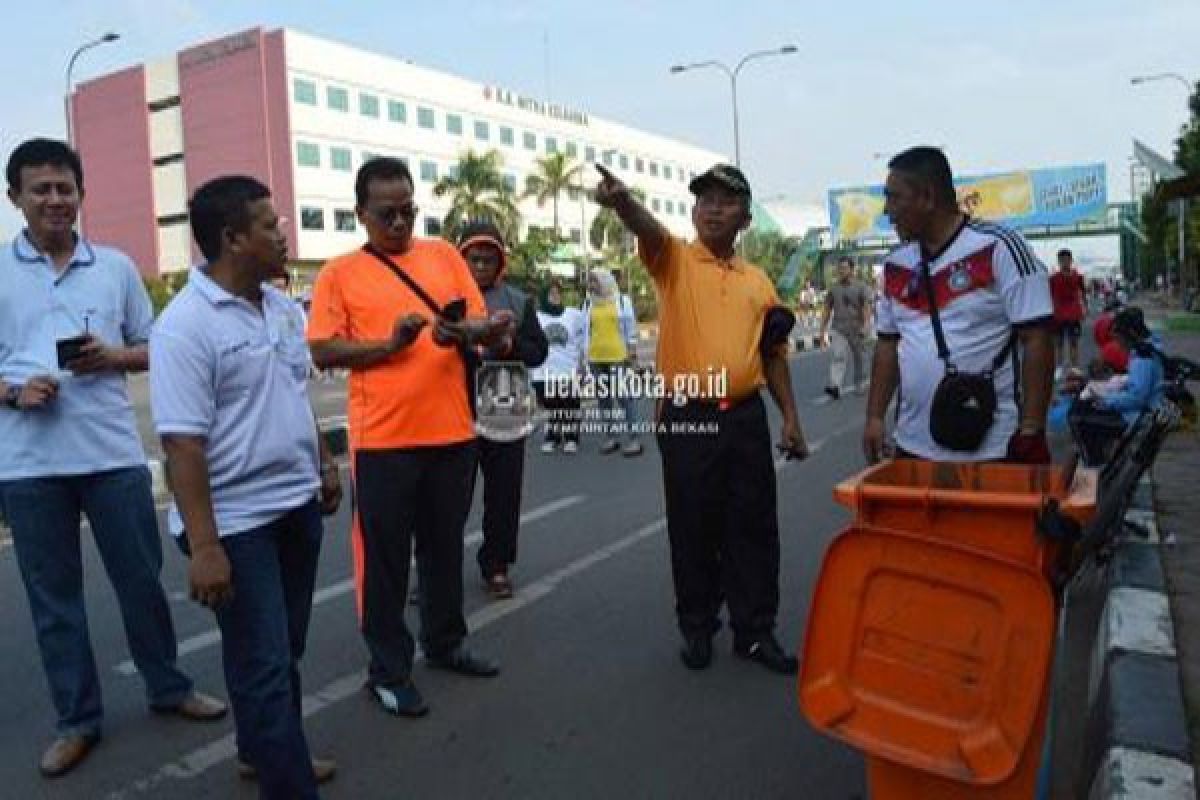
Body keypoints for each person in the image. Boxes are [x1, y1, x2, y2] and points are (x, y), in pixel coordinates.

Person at [0, 138, 226, 778]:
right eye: (38, 189)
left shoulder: (117, 267)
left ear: (80, 194)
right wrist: (15, 392)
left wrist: (110, 357)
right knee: (55, 604)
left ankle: (170, 687)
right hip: (27, 464)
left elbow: (158, 348)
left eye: (63, 188)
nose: (53, 200)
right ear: (14, 197)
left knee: (141, 584)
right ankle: (77, 720)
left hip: (112, 456)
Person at [150, 176, 342, 797]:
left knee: (282, 647)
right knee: (262, 660)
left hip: (295, 505)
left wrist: (324, 462)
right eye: (270, 226)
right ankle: (286, 778)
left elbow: (293, 391)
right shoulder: (184, 326)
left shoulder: (283, 307)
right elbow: (182, 443)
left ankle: (264, 747)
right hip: (235, 523)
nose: (284, 235)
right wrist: (205, 546)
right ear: (233, 239)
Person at [307, 157, 508, 719]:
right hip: (383, 443)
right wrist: (389, 345)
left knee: (444, 548)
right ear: (360, 213)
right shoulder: (338, 274)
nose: (400, 222)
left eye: (408, 210)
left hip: (451, 433)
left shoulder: (444, 256)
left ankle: (445, 643)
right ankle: (388, 670)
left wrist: (470, 331)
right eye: (386, 213)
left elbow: (478, 322)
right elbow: (322, 349)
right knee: (386, 562)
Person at [594, 161, 809, 675]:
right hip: (688, 414)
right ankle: (698, 628)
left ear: (746, 218)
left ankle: (755, 631)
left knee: (753, 526)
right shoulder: (673, 260)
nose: (712, 208)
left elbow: (774, 354)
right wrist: (623, 202)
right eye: (705, 199)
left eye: (726, 201)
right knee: (693, 526)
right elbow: (647, 228)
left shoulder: (759, 283)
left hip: (745, 418)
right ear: (693, 211)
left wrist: (791, 419)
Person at [863, 146, 1056, 465]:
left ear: (927, 197)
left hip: (990, 448)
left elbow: (1037, 339)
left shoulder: (999, 248)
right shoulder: (896, 265)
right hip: (912, 448)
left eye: (895, 198)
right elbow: (887, 345)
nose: (888, 211)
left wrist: (1032, 429)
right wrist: (874, 417)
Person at [458, 220, 548, 599]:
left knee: (503, 495)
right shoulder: (444, 298)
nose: (480, 265)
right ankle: (435, 568)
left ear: (501, 262)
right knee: (448, 498)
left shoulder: (518, 300)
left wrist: (510, 345)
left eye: (487, 259)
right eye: (473, 258)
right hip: (452, 405)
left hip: (504, 399)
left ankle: (496, 566)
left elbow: (539, 351)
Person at [583, 267, 644, 456]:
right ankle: (611, 437)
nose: (591, 285)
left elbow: (630, 330)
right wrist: (583, 358)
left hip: (618, 357)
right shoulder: (588, 303)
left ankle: (634, 439)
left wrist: (632, 355)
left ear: (605, 281)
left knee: (624, 398)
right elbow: (585, 330)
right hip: (595, 357)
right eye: (590, 281)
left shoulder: (621, 301)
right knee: (604, 400)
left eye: (595, 281)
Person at [532, 280, 587, 454]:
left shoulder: (573, 315)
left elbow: (583, 339)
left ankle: (571, 438)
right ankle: (553, 437)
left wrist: (582, 363)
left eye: (558, 293)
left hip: (568, 369)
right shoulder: (536, 317)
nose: (556, 297)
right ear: (543, 297)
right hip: (543, 371)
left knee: (569, 404)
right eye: (551, 294)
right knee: (552, 406)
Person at [819, 255, 874, 399]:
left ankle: (860, 383)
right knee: (838, 355)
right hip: (839, 328)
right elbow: (827, 309)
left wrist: (866, 325)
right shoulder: (834, 288)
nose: (841, 271)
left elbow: (867, 307)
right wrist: (822, 330)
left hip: (857, 328)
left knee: (860, 357)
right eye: (839, 268)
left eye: (844, 268)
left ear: (851, 269)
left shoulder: (861, 287)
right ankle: (835, 386)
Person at [1049, 248, 1088, 371]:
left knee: (1073, 342)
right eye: (1062, 260)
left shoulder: (1078, 277)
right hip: (1058, 314)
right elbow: (1049, 296)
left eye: (1067, 259)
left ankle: (1074, 367)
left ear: (1071, 260)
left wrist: (1085, 308)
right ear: (1059, 261)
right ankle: (1059, 367)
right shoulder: (1053, 279)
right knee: (1058, 343)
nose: (1065, 262)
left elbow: (1083, 293)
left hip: (1074, 314)